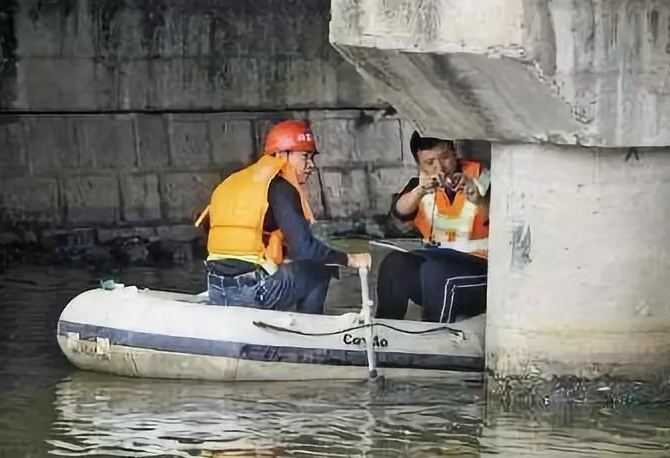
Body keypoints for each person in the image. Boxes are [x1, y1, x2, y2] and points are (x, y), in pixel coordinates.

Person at [195, 119, 371, 313]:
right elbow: (306, 249)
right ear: (281, 155)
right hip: (252, 291)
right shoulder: (281, 187)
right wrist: (350, 259)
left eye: (311, 158)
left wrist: (284, 257)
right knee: (320, 269)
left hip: (217, 288)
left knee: (293, 265)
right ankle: (308, 335)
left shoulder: (235, 181)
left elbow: (218, 232)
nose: (311, 165)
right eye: (305, 157)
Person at [375, 131, 490, 323]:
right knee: (394, 263)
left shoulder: (483, 178)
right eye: (429, 162)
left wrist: (479, 199)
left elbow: (508, 222)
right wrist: (419, 192)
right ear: (419, 165)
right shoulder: (418, 186)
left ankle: (433, 337)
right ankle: (386, 333)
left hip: (479, 271)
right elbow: (396, 224)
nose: (440, 167)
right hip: (435, 263)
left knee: (435, 271)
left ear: (454, 152)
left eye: (445, 157)